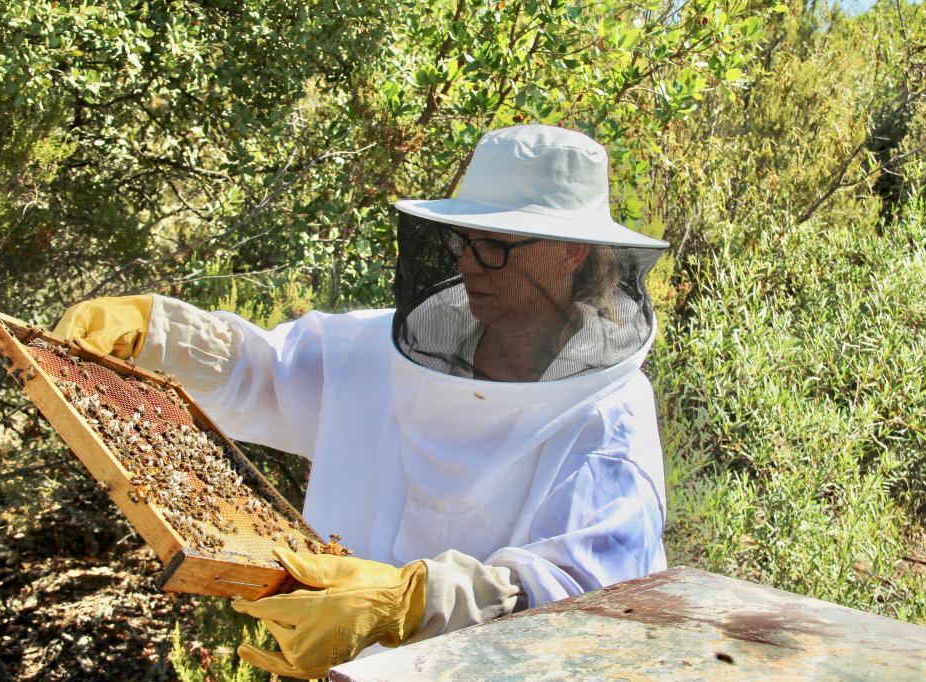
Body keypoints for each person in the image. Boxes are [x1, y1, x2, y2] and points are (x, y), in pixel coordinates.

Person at [54, 124, 670, 679]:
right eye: (461, 240)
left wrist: (409, 603)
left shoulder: (608, 414)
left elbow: (592, 594)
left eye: (494, 245)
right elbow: (268, 372)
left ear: (569, 253)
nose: (468, 265)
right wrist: (156, 328)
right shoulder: (387, 349)